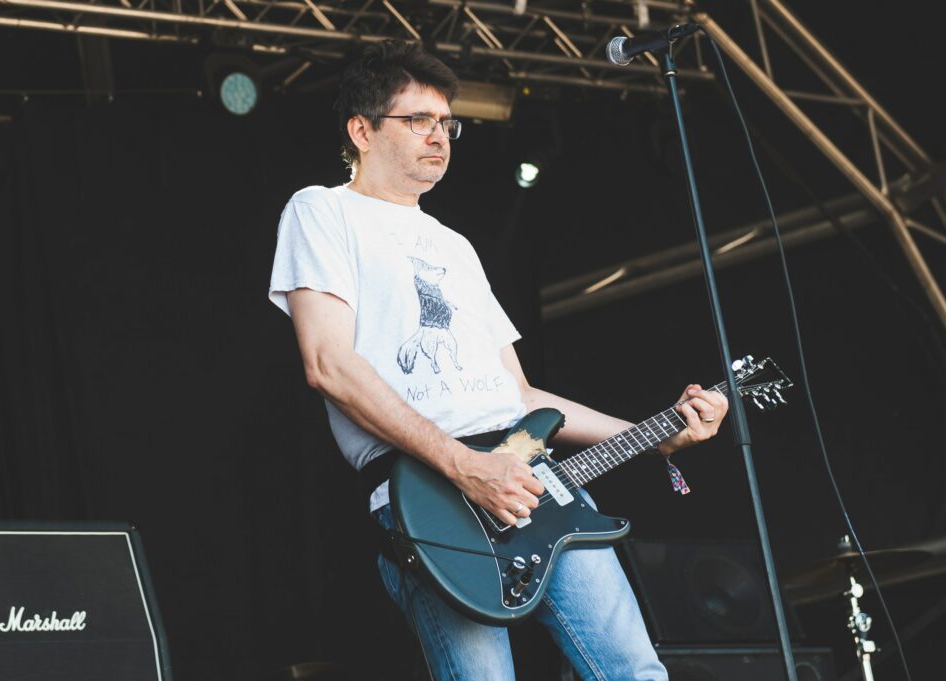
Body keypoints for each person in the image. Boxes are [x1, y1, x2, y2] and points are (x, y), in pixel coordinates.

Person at [269, 40, 728, 681]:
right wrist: (463, 465)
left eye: (447, 123)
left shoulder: (455, 245)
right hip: (430, 489)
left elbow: (521, 397)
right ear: (361, 130)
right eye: (419, 120)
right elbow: (329, 365)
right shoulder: (322, 210)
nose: (440, 135)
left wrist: (657, 435)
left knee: (637, 673)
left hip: (536, 479)